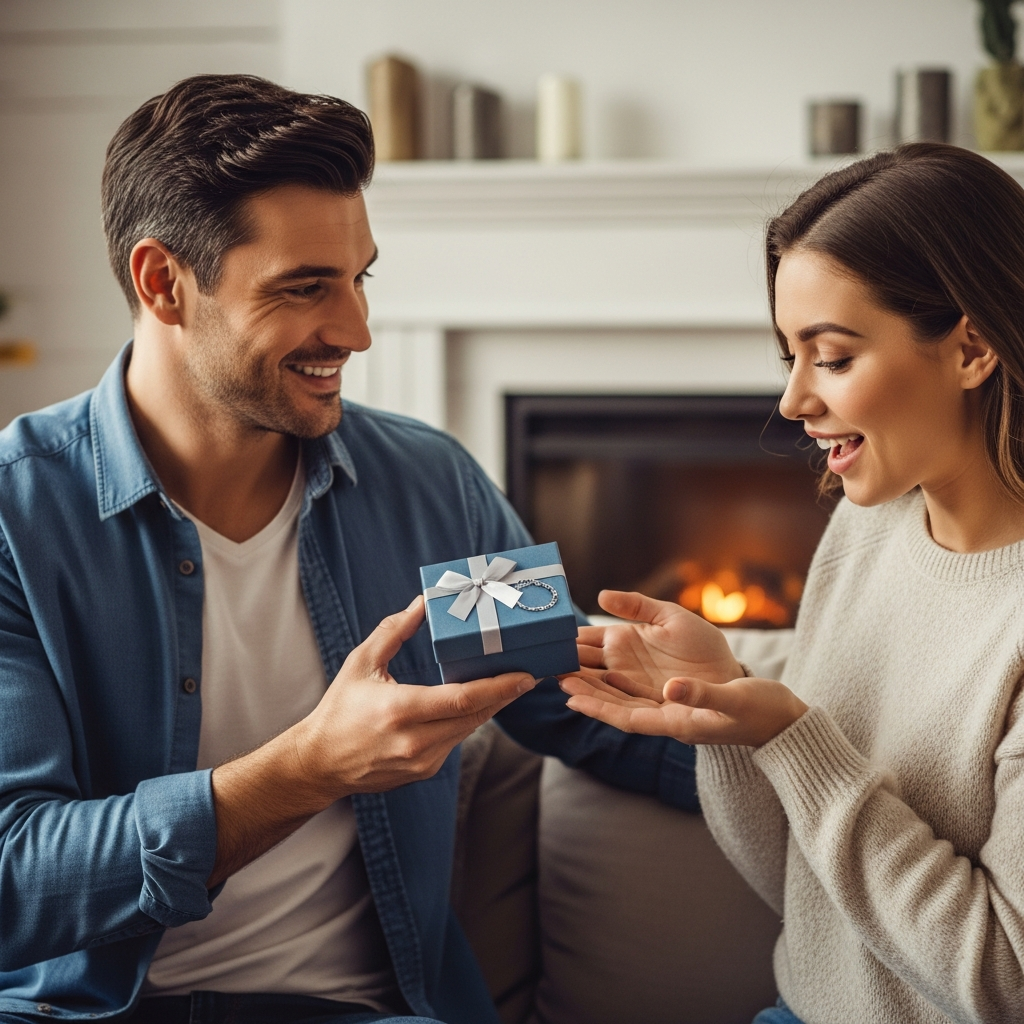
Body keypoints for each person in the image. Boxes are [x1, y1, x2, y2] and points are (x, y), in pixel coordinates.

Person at [0, 75, 698, 1024]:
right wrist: (307, 768)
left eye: (359, 277)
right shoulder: (15, 518)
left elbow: (569, 702)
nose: (356, 331)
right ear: (162, 282)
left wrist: (759, 733)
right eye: (305, 288)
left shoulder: (427, 488)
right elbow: (14, 877)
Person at [559, 143, 1024, 1024]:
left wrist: (797, 737)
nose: (793, 402)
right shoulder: (867, 530)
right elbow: (799, 886)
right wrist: (733, 712)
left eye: (834, 357)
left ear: (972, 348)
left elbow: (1003, 983)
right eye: (790, 358)